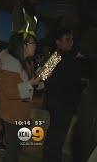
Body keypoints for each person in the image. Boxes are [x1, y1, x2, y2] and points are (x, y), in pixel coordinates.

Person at [42, 29, 86, 162]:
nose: (70, 42)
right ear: (58, 42)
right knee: (57, 136)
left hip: (60, 103)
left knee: (55, 134)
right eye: (67, 39)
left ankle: (49, 158)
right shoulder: (62, 58)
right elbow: (43, 77)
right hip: (60, 103)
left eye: (71, 39)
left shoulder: (69, 57)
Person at [0, 32, 40, 162]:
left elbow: (26, 89)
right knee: (12, 152)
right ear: (23, 45)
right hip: (12, 116)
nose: (35, 46)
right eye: (32, 43)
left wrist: (38, 82)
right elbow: (9, 91)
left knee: (15, 150)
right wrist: (31, 83)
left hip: (21, 114)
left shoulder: (24, 62)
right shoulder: (9, 62)